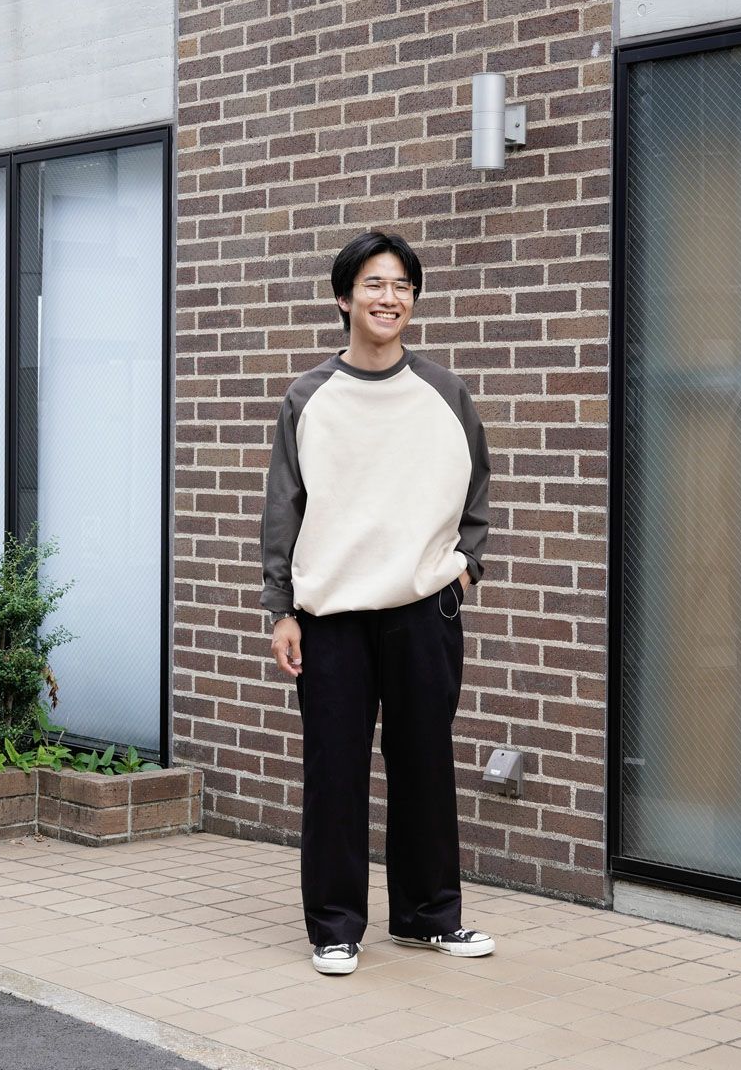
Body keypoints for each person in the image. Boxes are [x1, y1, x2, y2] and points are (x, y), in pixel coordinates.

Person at [260, 231, 494, 976]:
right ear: (344, 297)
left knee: (425, 764)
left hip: (423, 609)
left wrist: (465, 571)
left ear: (413, 300)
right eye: (373, 284)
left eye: (402, 286)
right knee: (334, 772)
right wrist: (281, 608)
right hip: (330, 615)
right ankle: (334, 927)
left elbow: (477, 491)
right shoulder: (308, 398)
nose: (389, 297)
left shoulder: (446, 393)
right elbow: (283, 510)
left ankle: (429, 917)